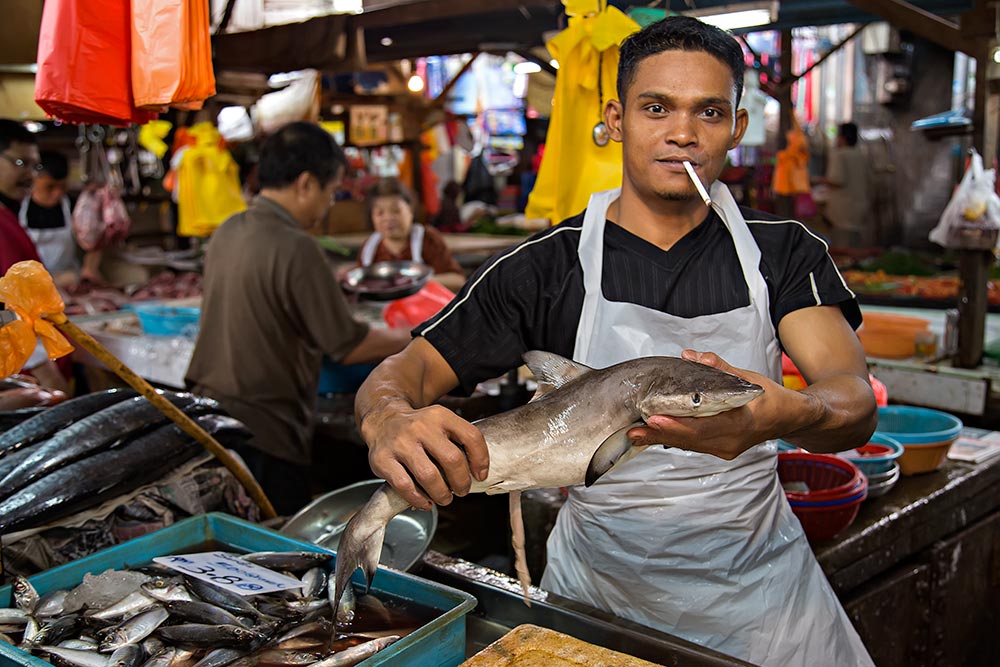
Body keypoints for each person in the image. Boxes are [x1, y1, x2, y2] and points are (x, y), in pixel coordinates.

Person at [354, 17, 877, 667]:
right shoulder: (545, 267)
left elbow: (852, 398)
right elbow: (401, 373)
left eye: (708, 112)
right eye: (656, 107)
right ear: (617, 117)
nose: (682, 133)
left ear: (738, 128)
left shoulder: (783, 253)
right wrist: (387, 419)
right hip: (596, 598)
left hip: (761, 602)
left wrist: (790, 414)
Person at [185, 122, 410, 516]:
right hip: (265, 429)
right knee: (276, 544)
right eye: (330, 191)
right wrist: (422, 332)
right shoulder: (296, 246)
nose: (329, 204)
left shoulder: (228, 230)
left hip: (210, 417)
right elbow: (349, 345)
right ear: (306, 183)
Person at [0, 119, 70, 394]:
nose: (31, 175)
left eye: (34, 165)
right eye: (21, 164)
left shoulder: (7, 214)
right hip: (25, 376)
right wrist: (46, 372)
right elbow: (5, 310)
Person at [358, 178, 466, 292]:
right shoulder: (369, 248)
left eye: (396, 211)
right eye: (380, 213)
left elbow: (457, 280)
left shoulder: (428, 239)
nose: (388, 218)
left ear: (410, 210)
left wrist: (417, 282)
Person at [18, 151, 79, 284]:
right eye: (50, 187)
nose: (58, 193)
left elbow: (95, 240)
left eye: (62, 187)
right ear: (33, 180)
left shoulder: (74, 206)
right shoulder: (16, 207)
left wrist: (89, 268)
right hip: (29, 281)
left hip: (67, 278)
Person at [819, 122, 871, 247]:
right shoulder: (861, 154)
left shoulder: (840, 155)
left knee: (843, 247)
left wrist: (818, 180)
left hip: (843, 210)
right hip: (860, 207)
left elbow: (837, 180)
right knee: (854, 244)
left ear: (842, 138)